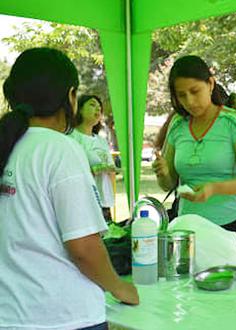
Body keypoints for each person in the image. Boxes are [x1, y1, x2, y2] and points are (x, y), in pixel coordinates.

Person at [0, 48, 138, 330]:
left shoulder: (9, 145)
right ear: (71, 96)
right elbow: (84, 247)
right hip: (62, 315)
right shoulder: (60, 149)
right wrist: (119, 287)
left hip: (12, 312)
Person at [152, 55, 236, 262]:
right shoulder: (177, 125)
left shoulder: (233, 122)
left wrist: (213, 188)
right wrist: (164, 173)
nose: (190, 102)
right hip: (190, 228)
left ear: (210, 84)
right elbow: (169, 184)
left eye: (195, 91)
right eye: (182, 95)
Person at [69, 95, 117, 223]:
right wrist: (94, 170)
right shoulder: (71, 137)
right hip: (82, 202)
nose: (98, 109)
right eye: (92, 105)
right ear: (79, 109)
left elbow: (111, 169)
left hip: (103, 201)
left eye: (100, 108)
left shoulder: (101, 141)